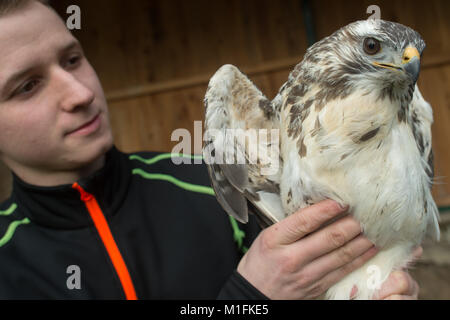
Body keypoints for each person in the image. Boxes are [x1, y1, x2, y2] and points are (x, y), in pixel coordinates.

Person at [0, 0, 421, 300]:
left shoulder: (214, 178)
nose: (78, 93)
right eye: (27, 86)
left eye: (72, 59)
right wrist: (247, 298)